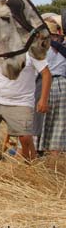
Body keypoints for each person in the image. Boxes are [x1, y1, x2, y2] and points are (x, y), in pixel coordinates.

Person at [0, 53, 51, 161]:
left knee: (25, 137)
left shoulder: (31, 52)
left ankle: (29, 165)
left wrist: (43, 100)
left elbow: (46, 74)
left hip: (22, 103)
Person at [37, 18, 66, 155]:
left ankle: (38, 151)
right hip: (60, 84)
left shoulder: (38, 47)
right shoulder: (60, 46)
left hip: (43, 83)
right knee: (58, 125)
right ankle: (54, 157)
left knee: (39, 122)